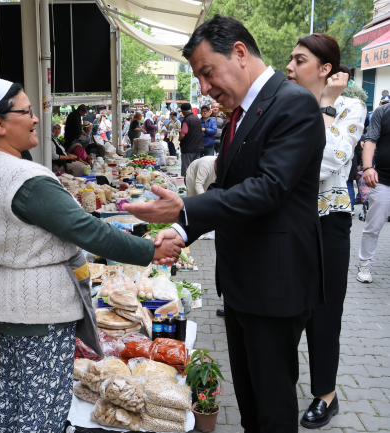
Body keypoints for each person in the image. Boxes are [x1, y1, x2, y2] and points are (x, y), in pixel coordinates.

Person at [0, 77, 183, 433]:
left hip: (9, 307)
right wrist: (150, 249)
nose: (37, 118)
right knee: (42, 409)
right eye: (26, 112)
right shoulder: (24, 179)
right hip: (41, 311)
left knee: (13, 398)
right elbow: (87, 230)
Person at [123, 16, 326, 432]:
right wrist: (183, 228)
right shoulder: (243, 112)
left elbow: (267, 189)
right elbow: (228, 190)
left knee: (272, 406)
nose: (204, 87)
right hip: (242, 283)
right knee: (250, 400)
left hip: (275, 285)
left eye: (206, 72)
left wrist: (186, 212)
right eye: (198, 77)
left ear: (238, 52)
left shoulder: (294, 103)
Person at [286, 35, 365, 428]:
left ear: (325, 69)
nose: (289, 67)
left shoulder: (352, 105)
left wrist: (326, 106)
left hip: (329, 222)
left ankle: (326, 394)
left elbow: (327, 161)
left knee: (325, 313)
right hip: (288, 223)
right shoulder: (285, 102)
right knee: (285, 307)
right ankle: (281, 384)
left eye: (299, 60)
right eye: (290, 59)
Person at [356, 87, 390, 283]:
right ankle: (365, 265)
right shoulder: (382, 112)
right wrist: (368, 167)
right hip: (383, 180)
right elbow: (370, 141)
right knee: (373, 226)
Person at [178, 102, 203, 176]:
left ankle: (188, 185)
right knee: (195, 168)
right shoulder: (197, 118)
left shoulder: (187, 120)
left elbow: (183, 134)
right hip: (198, 147)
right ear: (191, 109)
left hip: (188, 148)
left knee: (187, 169)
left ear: (182, 111)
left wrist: (179, 139)